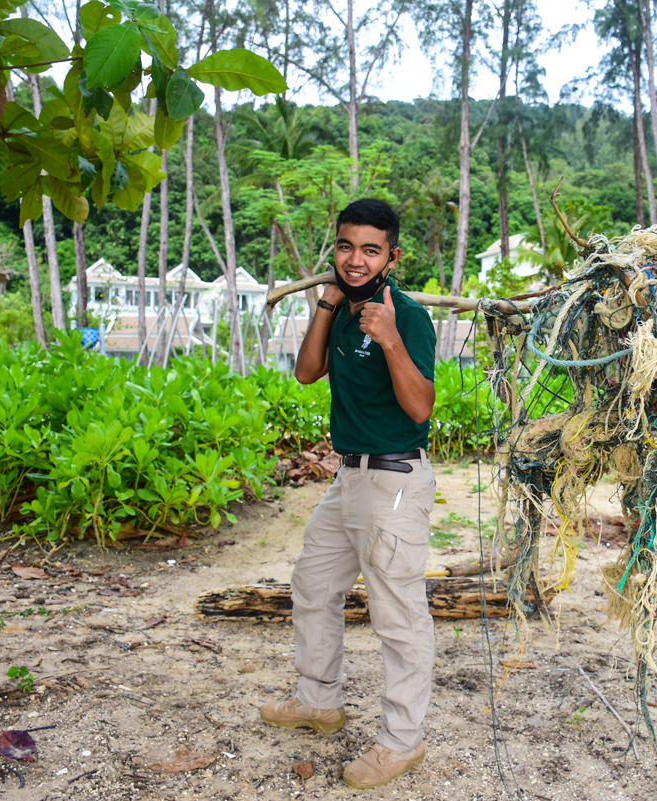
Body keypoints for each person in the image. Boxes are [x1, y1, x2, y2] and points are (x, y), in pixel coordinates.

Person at [259, 198, 438, 790]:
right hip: (349, 477)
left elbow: (420, 409)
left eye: (369, 249)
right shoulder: (339, 305)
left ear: (392, 256)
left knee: (397, 614)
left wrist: (388, 339)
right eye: (344, 246)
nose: (354, 259)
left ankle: (400, 742)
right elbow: (307, 372)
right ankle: (319, 700)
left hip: (394, 479)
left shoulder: (405, 316)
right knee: (313, 583)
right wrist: (327, 304)